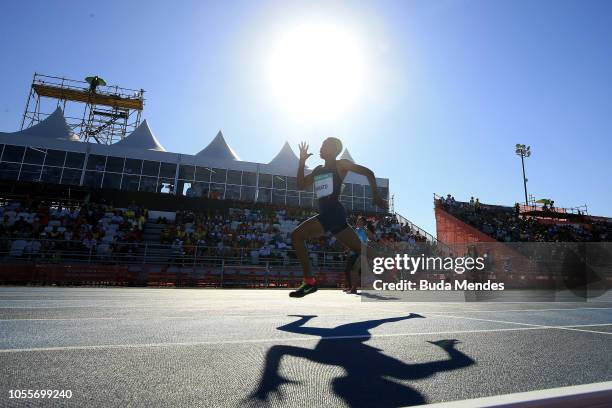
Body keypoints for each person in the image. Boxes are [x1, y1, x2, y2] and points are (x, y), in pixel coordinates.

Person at [289, 138, 388, 298]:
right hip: (332, 215)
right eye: (320, 145)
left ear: (334, 150)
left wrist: (375, 195)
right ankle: (395, 264)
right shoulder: (318, 170)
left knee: (296, 236)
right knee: (361, 249)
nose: (320, 148)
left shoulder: (341, 165)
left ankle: (309, 282)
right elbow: (300, 185)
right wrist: (301, 162)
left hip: (332, 213)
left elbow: (368, 172)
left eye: (324, 146)